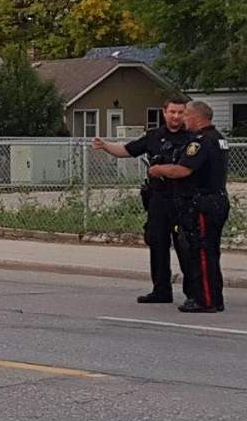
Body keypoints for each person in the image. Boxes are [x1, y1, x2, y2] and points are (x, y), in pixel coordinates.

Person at [93, 97, 193, 303]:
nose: (176, 116)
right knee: (157, 243)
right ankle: (161, 290)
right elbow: (127, 150)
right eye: (172, 112)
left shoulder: (192, 137)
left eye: (180, 112)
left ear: (185, 113)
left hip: (184, 199)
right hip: (158, 199)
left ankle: (193, 293)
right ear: (164, 112)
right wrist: (105, 146)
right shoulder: (154, 136)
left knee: (186, 246)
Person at [147, 100, 230, 313]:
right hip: (217, 199)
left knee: (202, 251)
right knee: (210, 251)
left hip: (203, 202)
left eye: (186, 116)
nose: (183, 119)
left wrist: (159, 170)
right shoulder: (219, 138)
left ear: (196, 117)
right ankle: (212, 297)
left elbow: (183, 170)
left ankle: (206, 300)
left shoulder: (201, 142)